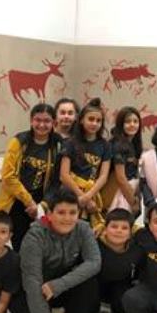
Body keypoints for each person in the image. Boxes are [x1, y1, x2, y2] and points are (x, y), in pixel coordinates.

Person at [10, 189, 101, 313]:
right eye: (61, 212)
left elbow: (94, 262)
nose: (67, 218)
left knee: (89, 284)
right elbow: (32, 284)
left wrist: (58, 285)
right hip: (34, 289)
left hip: (58, 287)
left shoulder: (83, 228)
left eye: (72, 212)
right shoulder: (34, 237)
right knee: (20, 305)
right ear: (49, 215)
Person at [0, 103, 63, 251]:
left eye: (47, 121)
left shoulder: (58, 144)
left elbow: (57, 180)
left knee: (41, 246)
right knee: (20, 245)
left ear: (53, 122)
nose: (42, 125)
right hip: (17, 202)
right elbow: (8, 176)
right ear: (31, 121)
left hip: (43, 203)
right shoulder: (19, 141)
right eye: (37, 120)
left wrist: (42, 205)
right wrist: (29, 202)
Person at [60, 98, 111, 235]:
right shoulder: (70, 143)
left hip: (92, 196)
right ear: (82, 120)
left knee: (87, 234)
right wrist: (81, 196)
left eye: (98, 120)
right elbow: (64, 175)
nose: (94, 123)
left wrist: (88, 197)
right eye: (91, 119)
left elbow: (103, 176)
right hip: (70, 194)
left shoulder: (105, 145)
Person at [92, 208, 143, 313]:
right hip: (95, 285)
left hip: (120, 285)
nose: (119, 231)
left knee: (123, 299)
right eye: (114, 226)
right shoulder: (94, 244)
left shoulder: (136, 248)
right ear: (105, 229)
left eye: (124, 228)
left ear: (130, 233)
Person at [102, 106, 142, 215]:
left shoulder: (133, 144)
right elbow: (121, 178)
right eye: (128, 122)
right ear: (120, 124)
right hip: (116, 193)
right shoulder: (118, 145)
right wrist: (133, 201)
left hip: (127, 191)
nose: (132, 124)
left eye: (135, 121)